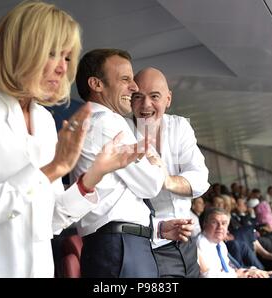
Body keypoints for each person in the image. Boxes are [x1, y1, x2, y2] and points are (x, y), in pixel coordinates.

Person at [0, 2, 143, 278]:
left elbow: (48, 221)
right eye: (52, 53)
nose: (62, 68)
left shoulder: (43, 120)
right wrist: (54, 168)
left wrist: (95, 174)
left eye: (67, 57)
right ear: (20, 48)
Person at [72, 49, 193, 278]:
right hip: (120, 249)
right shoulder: (108, 123)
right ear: (96, 84)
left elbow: (116, 198)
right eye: (125, 79)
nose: (134, 87)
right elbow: (151, 185)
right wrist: (157, 165)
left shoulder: (93, 120)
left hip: (117, 246)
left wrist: (155, 228)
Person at [129, 67, 210, 277]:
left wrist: (167, 180)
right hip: (151, 247)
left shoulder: (179, 126)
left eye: (154, 96)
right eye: (138, 97)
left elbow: (201, 179)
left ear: (168, 98)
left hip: (187, 242)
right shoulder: (123, 134)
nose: (146, 105)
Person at [197, 208, 272, 278]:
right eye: (214, 222)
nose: (220, 227)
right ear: (205, 224)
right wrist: (238, 274)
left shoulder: (220, 244)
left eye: (224, 223)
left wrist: (254, 271)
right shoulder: (199, 245)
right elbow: (208, 276)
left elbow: (228, 269)